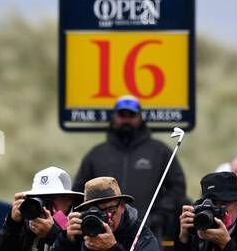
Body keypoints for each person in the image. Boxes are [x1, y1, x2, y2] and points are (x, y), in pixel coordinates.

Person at [76, 96, 186, 242]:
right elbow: (79, 192)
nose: (126, 120)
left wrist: (159, 216)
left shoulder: (159, 151)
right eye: (122, 115)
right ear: (114, 117)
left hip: (149, 233)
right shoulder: (96, 154)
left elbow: (177, 187)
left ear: (140, 117)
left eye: (132, 115)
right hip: (102, 232)